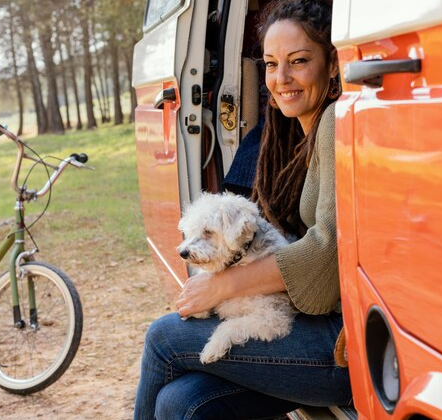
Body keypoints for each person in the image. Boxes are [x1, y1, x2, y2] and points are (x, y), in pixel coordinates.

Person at [133, 1, 350, 418]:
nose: (281, 79)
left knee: (163, 338)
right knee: (182, 403)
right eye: (270, 64)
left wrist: (223, 286)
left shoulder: (334, 122)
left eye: (299, 61)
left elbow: (326, 254)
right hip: (315, 324)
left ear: (333, 64)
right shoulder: (295, 129)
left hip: (341, 343)